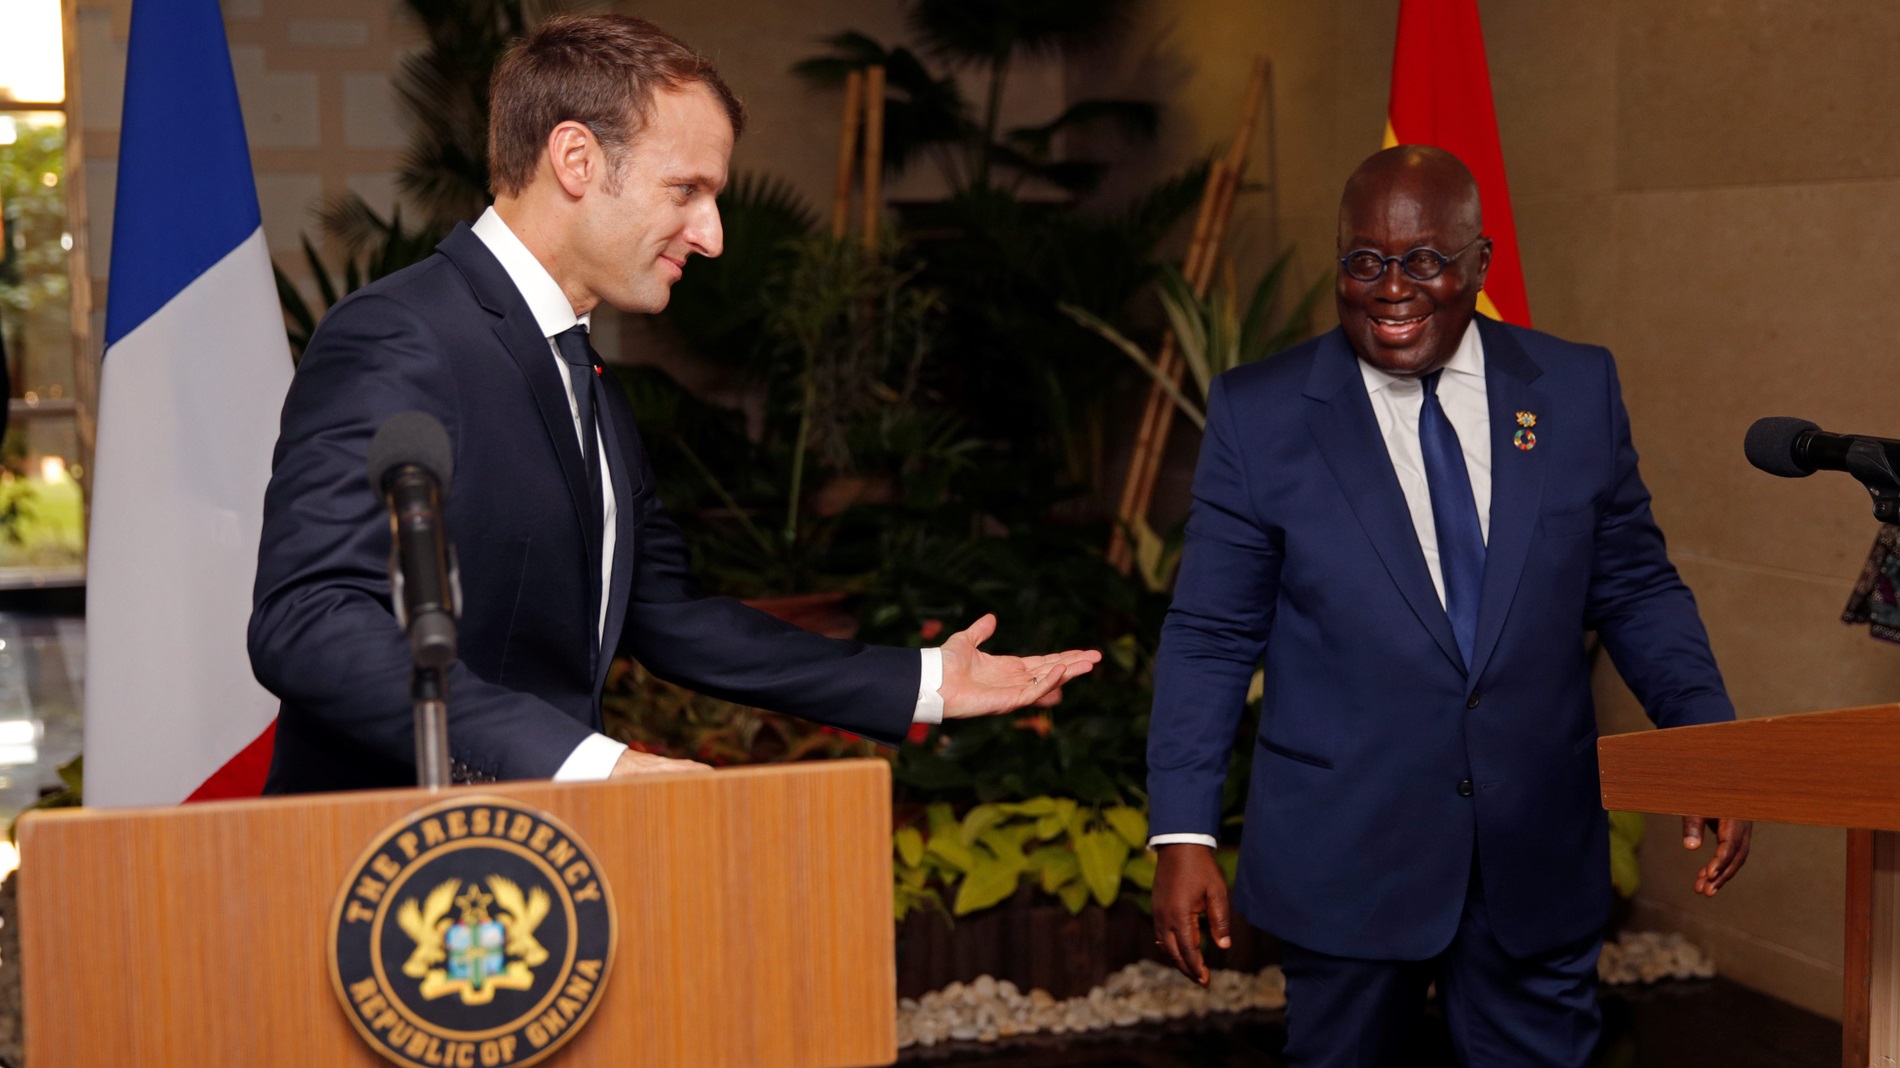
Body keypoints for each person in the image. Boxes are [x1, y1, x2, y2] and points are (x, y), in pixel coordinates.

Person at [248, 14, 1099, 794]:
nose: (714, 233)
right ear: (576, 160)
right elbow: (311, 620)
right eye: (686, 190)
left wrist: (924, 682)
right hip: (391, 871)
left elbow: (669, 616)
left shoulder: (583, 372)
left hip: (531, 866)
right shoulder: (403, 334)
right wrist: (590, 765)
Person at [1144, 145, 1751, 1067]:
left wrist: (1704, 738)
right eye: (1365, 261)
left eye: (1425, 259)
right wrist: (1182, 831)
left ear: (1480, 264)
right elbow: (1212, 634)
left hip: (1535, 850)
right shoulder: (1258, 414)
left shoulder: (1576, 390)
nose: (1393, 288)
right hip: (1345, 855)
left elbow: (1633, 584)